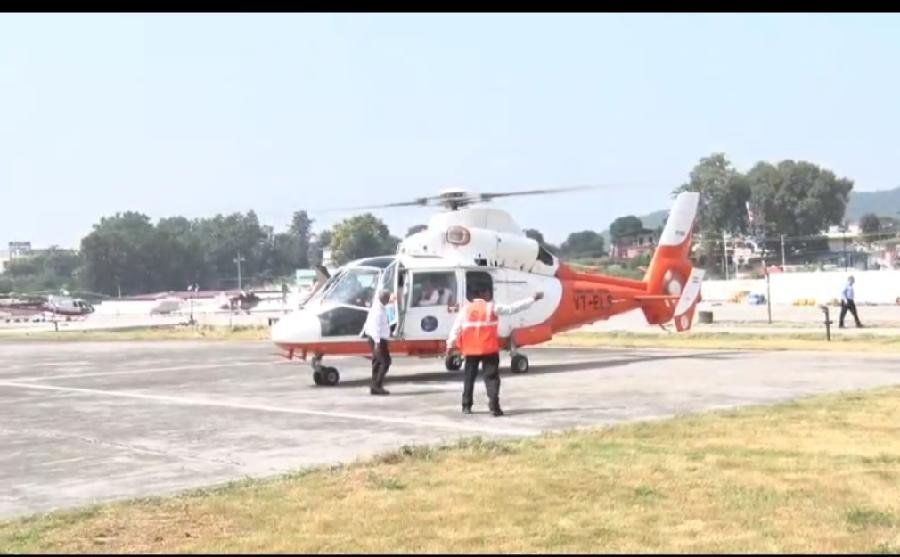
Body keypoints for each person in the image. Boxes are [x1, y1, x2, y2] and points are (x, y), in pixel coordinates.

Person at [446, 288, 544, 417]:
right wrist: (532, 299)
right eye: (487, 292)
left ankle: (466, 406)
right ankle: (494, 407)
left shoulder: (465, 310)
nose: (489, 295)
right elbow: (512, 308)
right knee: (491, 378)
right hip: (489, 349)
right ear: (482, 293)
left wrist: (450, 346)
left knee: (469, 378)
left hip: (471, 350)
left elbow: (455, 329)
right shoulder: (491, 307)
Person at [361, 290, 393, 395]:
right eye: (387, 298)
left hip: (377, 339)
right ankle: (377, 385)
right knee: (385, 362)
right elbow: (376, 329)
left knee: (377, 363)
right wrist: (377, 344)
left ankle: (374, 386)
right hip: (377, 340)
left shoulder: (378, 307)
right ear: (383, 298)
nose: (388, 300)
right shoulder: (378, 311)